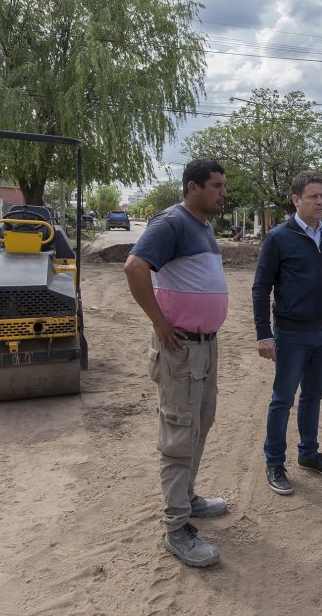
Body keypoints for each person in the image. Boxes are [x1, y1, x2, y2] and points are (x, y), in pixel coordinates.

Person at [123, 159, 229, 568]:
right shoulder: (171, 222)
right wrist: (159, 321)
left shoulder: (203, 225)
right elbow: (135, 267)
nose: (223, 193)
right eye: (216, 186)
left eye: (223, 186)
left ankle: (187, 498)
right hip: (181, 350)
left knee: (199, 424)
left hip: (206, 347)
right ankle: (176, 529)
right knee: (178, 434)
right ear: (192, 187)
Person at [252, 172, 322, 495]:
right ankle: (275, 462)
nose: (320, 202)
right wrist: (264, 333)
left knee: (314, 395)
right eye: (313, 197)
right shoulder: (279, 237)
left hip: (321, 334)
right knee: (283, 399)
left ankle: (308, 454)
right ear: (296, 200)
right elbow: (260, 288)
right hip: (290, 334)